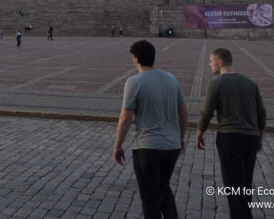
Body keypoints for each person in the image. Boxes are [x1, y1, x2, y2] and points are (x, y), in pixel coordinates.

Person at [113, 40, 188, 219]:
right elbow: (184, 111)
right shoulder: (171, 79)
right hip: (172, 146)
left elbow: (125, 118)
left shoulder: (134, 82)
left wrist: (118, 145)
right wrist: (181, 137)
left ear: (136, 58)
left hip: (148, 147)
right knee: (163, 187)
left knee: (150, 198)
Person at [196, 48, 266, 219]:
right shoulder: (250, 83)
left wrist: (199, 133)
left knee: (233, 185)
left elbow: (206, 112)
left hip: (230, 137)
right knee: (245, 183)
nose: (209, 65)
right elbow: (261, 114)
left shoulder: (216, 84)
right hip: (251, 138)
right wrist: (259, 138)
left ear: (220, 63)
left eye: (211, 61)